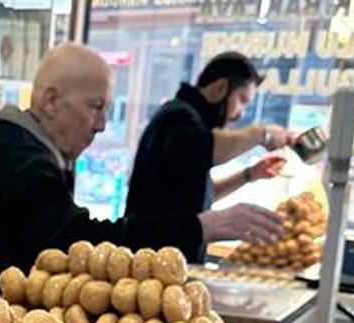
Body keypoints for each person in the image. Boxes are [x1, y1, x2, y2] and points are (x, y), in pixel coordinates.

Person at [0, 43, 139, 319]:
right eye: (96, 107)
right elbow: (79, 245)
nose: (101, 125)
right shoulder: (19, 161)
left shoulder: (16, 145)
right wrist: (195, 228)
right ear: (51, 101)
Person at [125, 52, 294, 263]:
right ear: (221, 88)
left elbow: (203, 194)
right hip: (153, 264)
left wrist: (249, 174)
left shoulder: (186, 120)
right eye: (241, 100)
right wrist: (262, 134)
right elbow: (207, 147)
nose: (241, 114)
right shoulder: (179, 118)